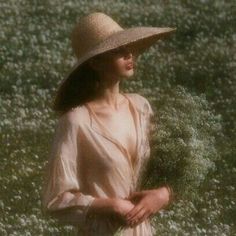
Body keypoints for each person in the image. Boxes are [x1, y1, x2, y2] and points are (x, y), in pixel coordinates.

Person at [41, 12, 176, 236]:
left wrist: (163, 194)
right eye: (117, 50)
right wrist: (111, 205)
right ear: (95, 62)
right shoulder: (76, 121)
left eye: (129, 47)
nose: (129, 54)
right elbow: (55, 199)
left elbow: (166, 168)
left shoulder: (141, 108)